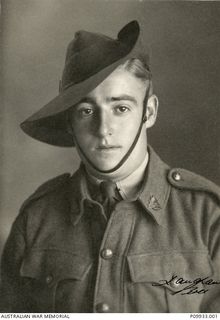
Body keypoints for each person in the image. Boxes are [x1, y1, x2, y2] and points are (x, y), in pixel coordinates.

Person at [0, 20, 220, 313]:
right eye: (86, 111)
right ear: (69, 123)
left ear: (149, 112)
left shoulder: (207, 216)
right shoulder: (37, 219)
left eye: (121, 108)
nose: (104, 129)